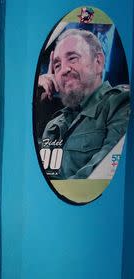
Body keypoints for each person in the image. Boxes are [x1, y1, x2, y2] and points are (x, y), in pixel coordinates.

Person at [37, 28, 130, 179]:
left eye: (72, 58)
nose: (64, 70)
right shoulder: (54, 123)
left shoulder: (120, 103)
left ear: (98, 62)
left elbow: (100, 174)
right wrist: (37, 95)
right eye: (57, 65)